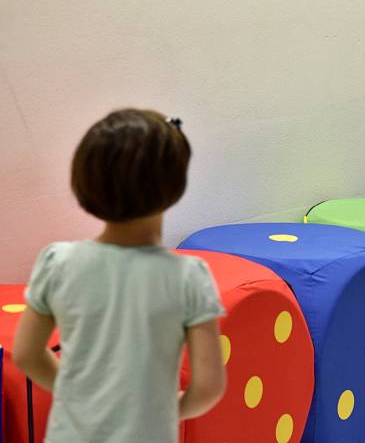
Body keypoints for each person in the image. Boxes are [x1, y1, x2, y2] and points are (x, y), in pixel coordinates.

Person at [12, 109, 226, 443]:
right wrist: (167, 410)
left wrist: (77, 398)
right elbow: (208, 386)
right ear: (175, 185)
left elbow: (26, 354)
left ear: (85, 183)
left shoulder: (58, 262)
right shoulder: (189, 277)